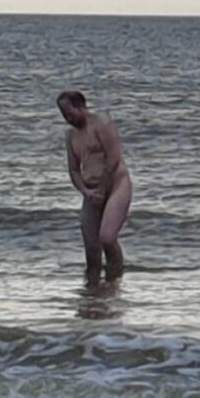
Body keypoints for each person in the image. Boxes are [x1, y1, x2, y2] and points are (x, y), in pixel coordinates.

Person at [57, 90, 132, 283]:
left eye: (69, 113)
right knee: (91, 247)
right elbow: (74, 170)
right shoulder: (71, 136)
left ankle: (115, 281)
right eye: (63, 115)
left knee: (107, 237)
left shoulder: (101, 123)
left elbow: (114, 158)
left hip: (116, 184)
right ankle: (92, 288)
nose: (67, 119)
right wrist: (85, 191)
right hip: (91, 191)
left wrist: (102, 189)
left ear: (81, 106)